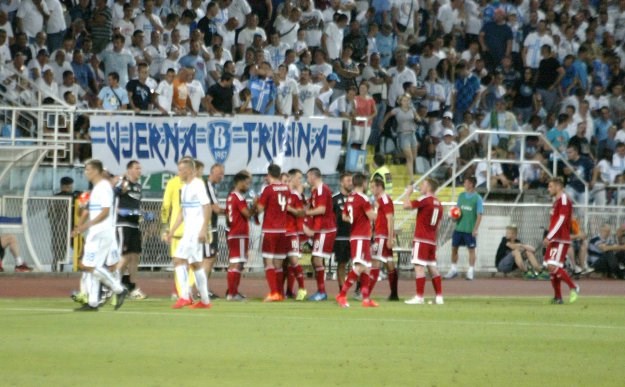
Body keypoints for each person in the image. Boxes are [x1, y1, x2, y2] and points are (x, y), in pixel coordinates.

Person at [72, 159, 128, 311]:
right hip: (100, 232)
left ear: (96, 171)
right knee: (91, 266)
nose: (86, 172)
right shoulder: (98, 188)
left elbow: (105, 212)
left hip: (100, 232)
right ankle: (93, 302)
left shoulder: (103, 187)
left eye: (88, 169)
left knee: (89, 266)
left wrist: (85, 226)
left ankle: (118, 289)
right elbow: (91, 211)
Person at [165, 158, 212, 309]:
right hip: (189, 231)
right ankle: (205, 301)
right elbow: (182, 213)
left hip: (195, 231)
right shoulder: (185, 187)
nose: (178, 173)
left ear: (189, 170)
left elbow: (207, 207)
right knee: (195, 264)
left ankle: (185, 296)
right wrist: (171, 231)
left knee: (178, 260)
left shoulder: (198, 184)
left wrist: (204, 229)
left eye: (180, 170)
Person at [335, 172, 378, 308]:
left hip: (358, 235)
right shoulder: (363, 198)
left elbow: (344, 216)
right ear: (364, 183)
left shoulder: (350, 198)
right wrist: (379, 209)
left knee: (366, 269)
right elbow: (371, 216)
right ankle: (342, 295)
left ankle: (366, 299)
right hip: (360, 236)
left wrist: (354, 220)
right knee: (359, 267)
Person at [403, 178, 444, 305]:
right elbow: (438, 226)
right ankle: (439, 297)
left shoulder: (424, 200)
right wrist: (435, 241)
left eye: (423, 184)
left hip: (421, 238)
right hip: (431, 240)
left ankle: (419, 296)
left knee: (419, 267)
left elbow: (406, 206)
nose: (421, 186)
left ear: (429, 187)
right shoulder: (439, 203)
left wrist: (408, 193)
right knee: (432, 267)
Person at [254, 164, 289, 302]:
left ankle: (274, 292)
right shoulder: (286, 188)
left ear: (269, 174)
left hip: (270, 229)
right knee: (278, 263)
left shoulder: (268, 189)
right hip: (282, 229)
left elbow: (260, 209)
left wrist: (256, 202)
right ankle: (280, 293)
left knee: (268, 262)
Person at [543, 177, 580, 304]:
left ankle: (573, 287)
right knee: (551, 267)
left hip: (560, 238)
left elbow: (561, 219)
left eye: (551, 186)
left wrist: (549, 236)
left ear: (558, 187)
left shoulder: (563, 199)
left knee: (553, 266)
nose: (549, 189)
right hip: (555, 238)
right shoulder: (557, 201)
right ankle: (558, 297)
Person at [114, 160, 146, 300]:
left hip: (134, 225)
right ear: (129, 170)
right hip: (123, 224)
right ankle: (113, 286)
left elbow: (136, 205)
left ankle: (132, 287)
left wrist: (142, 214)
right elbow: (112, 199)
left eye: (140, 168)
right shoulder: (123, 183)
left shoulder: (138, 186)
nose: (139, 171)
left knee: (135, 256)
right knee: (124, 256)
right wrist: (120, 211)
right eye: (136, 168)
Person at [305, 167, 336, 301]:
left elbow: (322, 209)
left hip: (325, 229)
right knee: (315, 259)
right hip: (320, 229)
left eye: (308, 177)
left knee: (317, 259)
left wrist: (305, 213)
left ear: (313, 176)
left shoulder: (322, 189)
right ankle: (320, 291)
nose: (307, 180)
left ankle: (322, 292)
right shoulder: (316, 191)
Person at [445, 176, 483, 281]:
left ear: (471, 184)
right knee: (454, 248)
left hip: (469, 230)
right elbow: (457, 211)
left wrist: (475, 229)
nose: (464, 184)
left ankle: (470, 271)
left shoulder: (477, 198)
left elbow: (479, 215)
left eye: (465, 182)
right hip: (459, 228)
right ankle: (453, 269)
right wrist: (453, 218)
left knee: (471, 250)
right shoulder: (461, 196)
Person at [225, 171, 253, 301]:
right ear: (240, 182)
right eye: (247, 183)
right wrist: (255, 208)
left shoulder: (230, 196)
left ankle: (232, 292)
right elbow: (247, 214)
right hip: (239, 234)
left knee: (236, 263)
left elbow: (227, 216)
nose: (248, 186)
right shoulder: (239, 197)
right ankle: (232, 293)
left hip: (233, 232)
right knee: (237, 264)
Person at [369, 177, 398, 300]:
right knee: (389, 264)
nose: (371, 190)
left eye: (373, 187)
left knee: (375, 262)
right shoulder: (380, 200)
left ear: (379, 187)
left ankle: (366, 294)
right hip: (381, 235)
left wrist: (390, 238)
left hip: (382, 236)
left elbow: (390, 219)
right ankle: (394, 294)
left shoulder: (385, 200)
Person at [381, 94, 420, 184]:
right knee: (410, 157)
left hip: (412, 133)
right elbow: (388, 115)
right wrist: (382, 124)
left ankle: (397, 156)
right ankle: (412, 180)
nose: (406, 102)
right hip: (403, 134)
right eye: (404, 100)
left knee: (414, 157)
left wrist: (417, 118)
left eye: (407, 100)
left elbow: (418, 117)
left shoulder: (412, 109)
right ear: (400, 102)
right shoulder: (397, 110)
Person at [203, 163, 225, 299]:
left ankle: (204, 288)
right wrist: (230, 211)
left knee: (211, 258)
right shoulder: (208, 186)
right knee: (208, 259)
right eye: (219, 173)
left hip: (211, 227)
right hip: (209, 228)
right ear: (212, 172)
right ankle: (202, 289)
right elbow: (215, 209)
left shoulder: (212, 187)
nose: (221, 176)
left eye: (222, 174)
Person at [284, 169, 307, 300]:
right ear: (292, 178)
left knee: (293, 260)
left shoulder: (296, 196)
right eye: (299, 178)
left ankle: (302, 288)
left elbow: (301, 212)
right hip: (281, 232)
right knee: (283, 264)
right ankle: (285, 291)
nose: (300, 181)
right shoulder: (284, 193)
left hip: (292, 231)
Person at [50, 176, 78, 272]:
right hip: (73, 229)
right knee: (80, 250)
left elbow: (50, 215)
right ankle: (79, 271)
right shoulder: (74, 197)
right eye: (70, 187)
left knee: (58, 256)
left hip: (59, 229)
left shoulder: (55, 198)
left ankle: (56, 273)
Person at [332, 172, 352, 291]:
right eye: (348, 180)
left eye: (351, 180)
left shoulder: (356, 197)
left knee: (357, 264)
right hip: (340, 236)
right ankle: (342, 290)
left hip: (354, 235)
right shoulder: (334, 199)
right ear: (341, 182)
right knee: (342, 264)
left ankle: (359, 289)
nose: (350, 183)